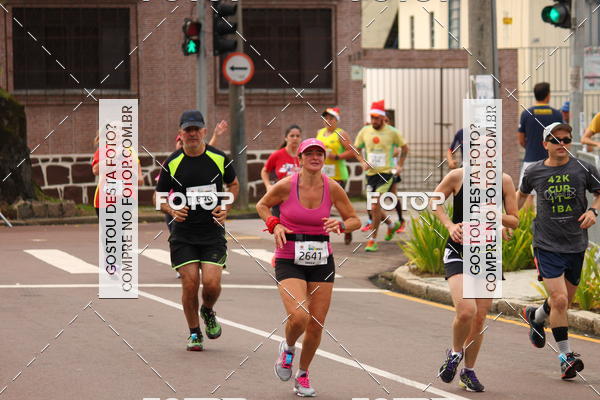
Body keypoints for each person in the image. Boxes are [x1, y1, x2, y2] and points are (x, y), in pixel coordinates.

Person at [256, 138, 360, 397]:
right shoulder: (286, 185)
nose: (315, 157)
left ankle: (302, 374)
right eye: (309, 153)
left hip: (321, 259)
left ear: (323, 158)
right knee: (299, 316)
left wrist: (341, 225)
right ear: (300, 159)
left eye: (319, 153)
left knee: (316, 324)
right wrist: (274, 224)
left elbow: (355, 220)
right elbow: (262, 205)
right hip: (289, 257)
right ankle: (288, 348)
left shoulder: (332, 188)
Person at [518, 122, 600, 380]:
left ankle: (535, 316)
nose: (562, 143)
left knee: (562, 301)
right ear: (545, 144)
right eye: (556, 140)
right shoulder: (534, 171)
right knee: (561, 300)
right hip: (546, 244)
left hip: (575, 243)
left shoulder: (584, 168)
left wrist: (593, 210)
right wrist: (508, 221)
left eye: (566, 139)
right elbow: (519, 197)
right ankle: (566, 358)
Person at [154, 110, 239, 352]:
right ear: (180, 133)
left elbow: (234, 184)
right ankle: (194, 332)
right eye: (187, 130)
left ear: (204, 131)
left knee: (211, 284)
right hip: (184, 234)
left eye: (196, 129)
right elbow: (158, 196)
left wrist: (227, 206)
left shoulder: (218, 158)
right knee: (190, 283)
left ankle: (208, 310)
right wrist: (171, 209)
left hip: (212, 233)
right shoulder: (172, 162)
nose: (192, 134)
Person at [434, 168, 519, 392]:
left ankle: (468, 372)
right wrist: (450, 225)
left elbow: (514, 221)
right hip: (459, 251)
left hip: (487, 255)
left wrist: (496, 217)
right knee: (466, 311)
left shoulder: (504, 180)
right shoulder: (458, 176)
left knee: (479, 318)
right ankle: (455, 354)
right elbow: (435, 201)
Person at [354, 100, 408, 252]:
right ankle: (391, 225)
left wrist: (400, 165)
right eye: (372, 117)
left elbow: (405, 148)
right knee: (373, 208)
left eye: (377, 118)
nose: (374, 121)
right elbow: (356, 148)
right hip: (370, 174)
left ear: (383, 118)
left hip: (386, 173)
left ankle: (372, 240)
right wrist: (362, 161)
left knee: (375, 204)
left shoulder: (392, 132)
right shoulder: (365, 131)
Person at [517, 82, 562, 206]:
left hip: (531, 159)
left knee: (527, 194)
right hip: (552, 161)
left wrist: (530, 147)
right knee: (552, 193)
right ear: (548, 95)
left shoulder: (526, 114)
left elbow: (521, 139)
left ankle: (528, 218)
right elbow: (561, 138)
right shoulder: (557, 114)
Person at [316, 107, 355, 245]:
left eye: (331, 118)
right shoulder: (319, 133)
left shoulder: (340, 133)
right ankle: (319, 232)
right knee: (320, 203)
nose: (328, 120)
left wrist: (336, 156)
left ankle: (348, 227)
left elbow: (352, 151)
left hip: (338, 175)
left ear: (336, 120)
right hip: (322, 174)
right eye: (326, 118)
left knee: (340, 205)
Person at [261, 125, 302, 217]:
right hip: (280, 195)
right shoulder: (277, 155)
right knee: (280, 223)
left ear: (300, 138)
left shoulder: (303, 156)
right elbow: (265, 171)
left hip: (300, 196)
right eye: (292, 136)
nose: (295, 138)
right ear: (286, 138)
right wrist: (268, 185)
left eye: (298, 136)